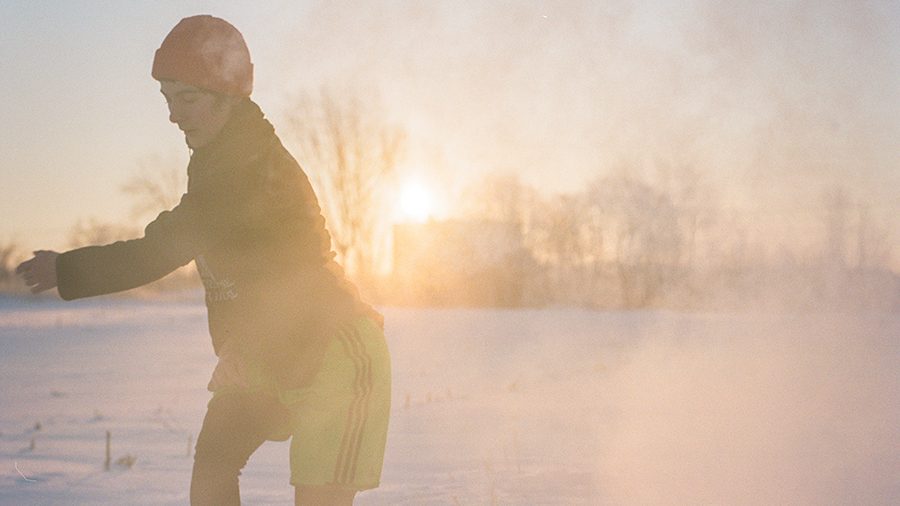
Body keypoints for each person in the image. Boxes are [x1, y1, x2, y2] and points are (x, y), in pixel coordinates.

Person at [16, 15, 390, 506]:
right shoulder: (215, 161)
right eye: (167, 99)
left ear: (230, 95)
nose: (174, 115)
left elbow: (161, 250)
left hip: (335, 354)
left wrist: (68, 270)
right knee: (213, 464)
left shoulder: (246, 168)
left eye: (186, 99)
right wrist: (239, 344)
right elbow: (248, 276)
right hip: (270, 353)